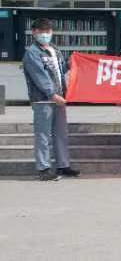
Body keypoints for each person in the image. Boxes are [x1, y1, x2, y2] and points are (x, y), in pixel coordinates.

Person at [22, 17, 79, 181]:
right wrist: (52, 94)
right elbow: (40, 76)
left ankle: (63, 165)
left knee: (61, 133)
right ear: (34, 32)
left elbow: (60, 71)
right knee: (43, 135)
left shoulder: (54, 49)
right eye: (41, 31)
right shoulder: (32, 52)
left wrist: (70, 63)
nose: (45, 34)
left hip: (59, 98)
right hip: (43, 100)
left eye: (47, 31)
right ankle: (44, 168)